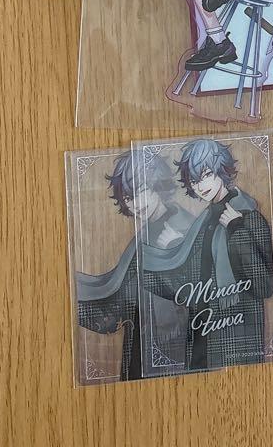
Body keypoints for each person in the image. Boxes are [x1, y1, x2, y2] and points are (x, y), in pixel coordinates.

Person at [140, 139, 273, 372]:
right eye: (194, 180)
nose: (200, 186)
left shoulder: (248, 215)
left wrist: (236, 230)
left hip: (237, 334)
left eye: (206, 175)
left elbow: (265, 286)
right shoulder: (204, 221)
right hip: (203, 328)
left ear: (222, 170)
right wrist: (171, 248)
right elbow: (194, 281)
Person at [75, 153, 192, 381]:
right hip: (143, 334)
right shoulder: (146, 234)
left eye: (141, 191)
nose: (135, 204)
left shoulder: (182, 228)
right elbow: (124, 293)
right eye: (128, 197)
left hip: (174, 344)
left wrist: (173, 249)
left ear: (159, 186)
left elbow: (197, 291)